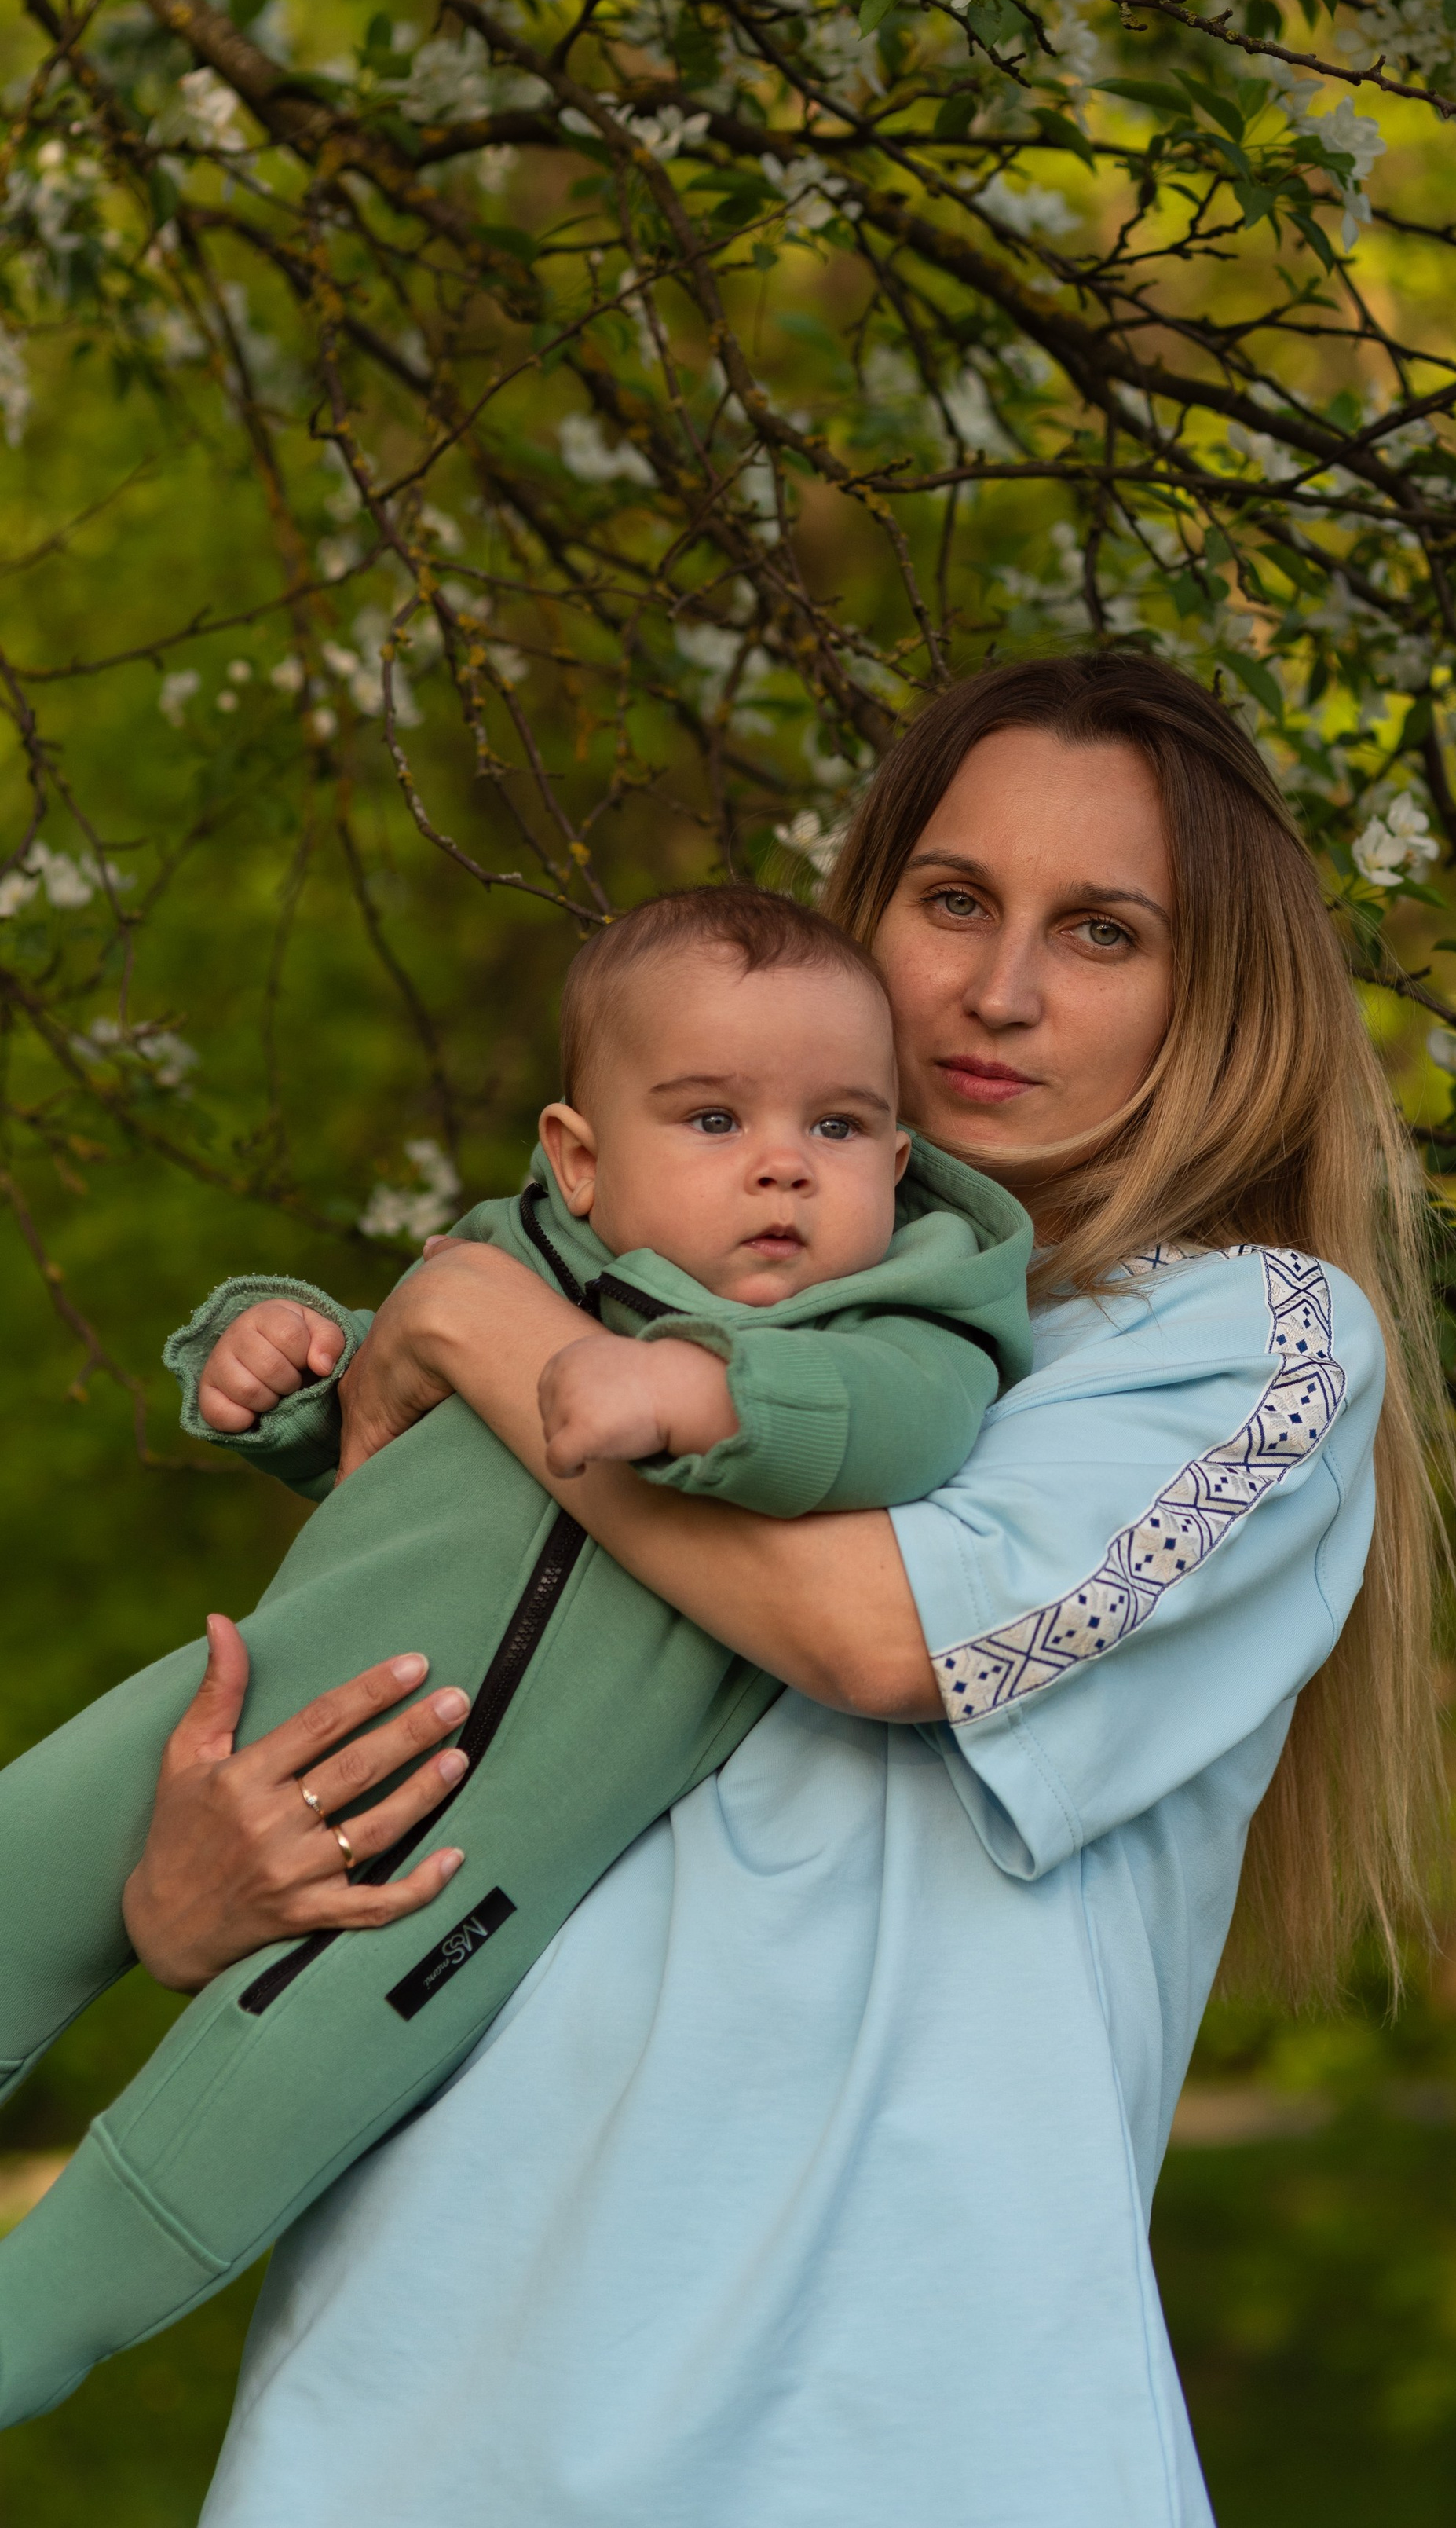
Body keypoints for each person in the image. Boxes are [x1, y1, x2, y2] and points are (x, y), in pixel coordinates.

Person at [114, 651, 1451, 2528]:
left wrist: (483, 1327)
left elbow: (879, 1634)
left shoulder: (1244, 1342)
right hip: (412, 2422)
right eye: (953, 900)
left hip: (894, 2443)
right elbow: (414, 1724)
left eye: (1102, 931)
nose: (998, 989)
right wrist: (199, 1891)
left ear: (1212, 994)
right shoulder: (636, 1293)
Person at [0, 887, 1030, 2426]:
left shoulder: (904, 1332)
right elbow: (368, 1437)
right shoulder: (508, 1264)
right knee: (23, 1863)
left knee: (233, 2125)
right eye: (712, 1118)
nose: (781, 1163)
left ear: (895, 1161)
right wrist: (278, 1358)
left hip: (467, 1869)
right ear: (579, 1156)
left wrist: (692, 1398)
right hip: (261, 1690)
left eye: (837, 1126)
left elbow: (904, 1427)